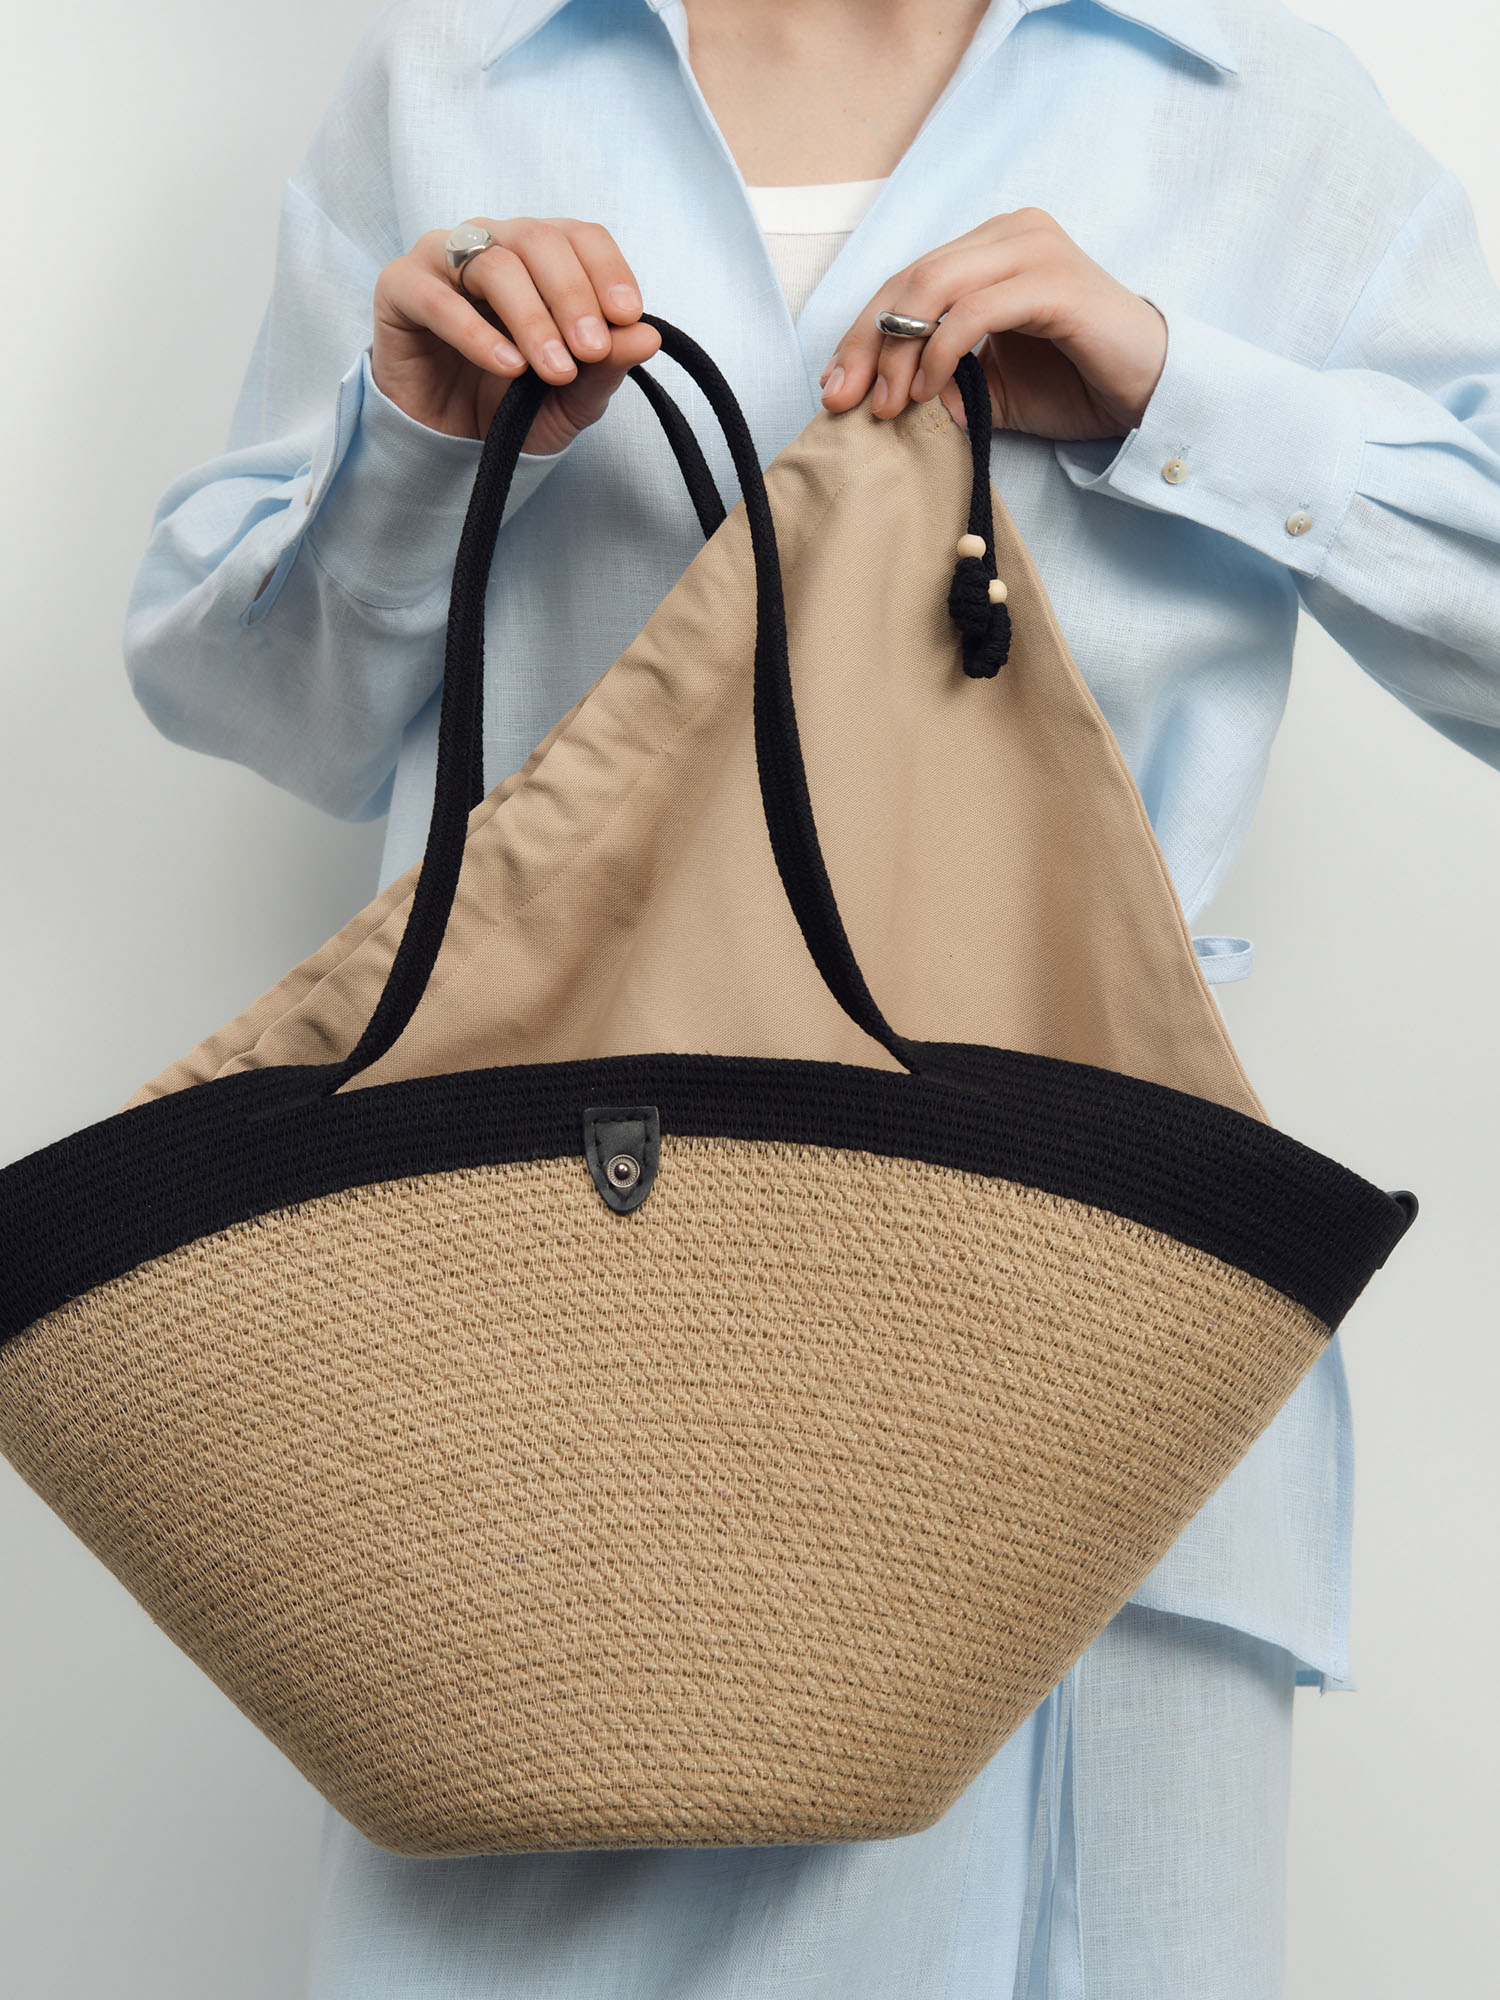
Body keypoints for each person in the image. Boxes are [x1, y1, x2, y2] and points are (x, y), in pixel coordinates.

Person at [123, 1, 1500, 1992]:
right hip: (526, 1384)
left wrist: (1173, 387)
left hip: (1084, 1378)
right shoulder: (455, 85)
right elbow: (267, 711)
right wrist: (416, 442)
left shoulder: (1251, 101)